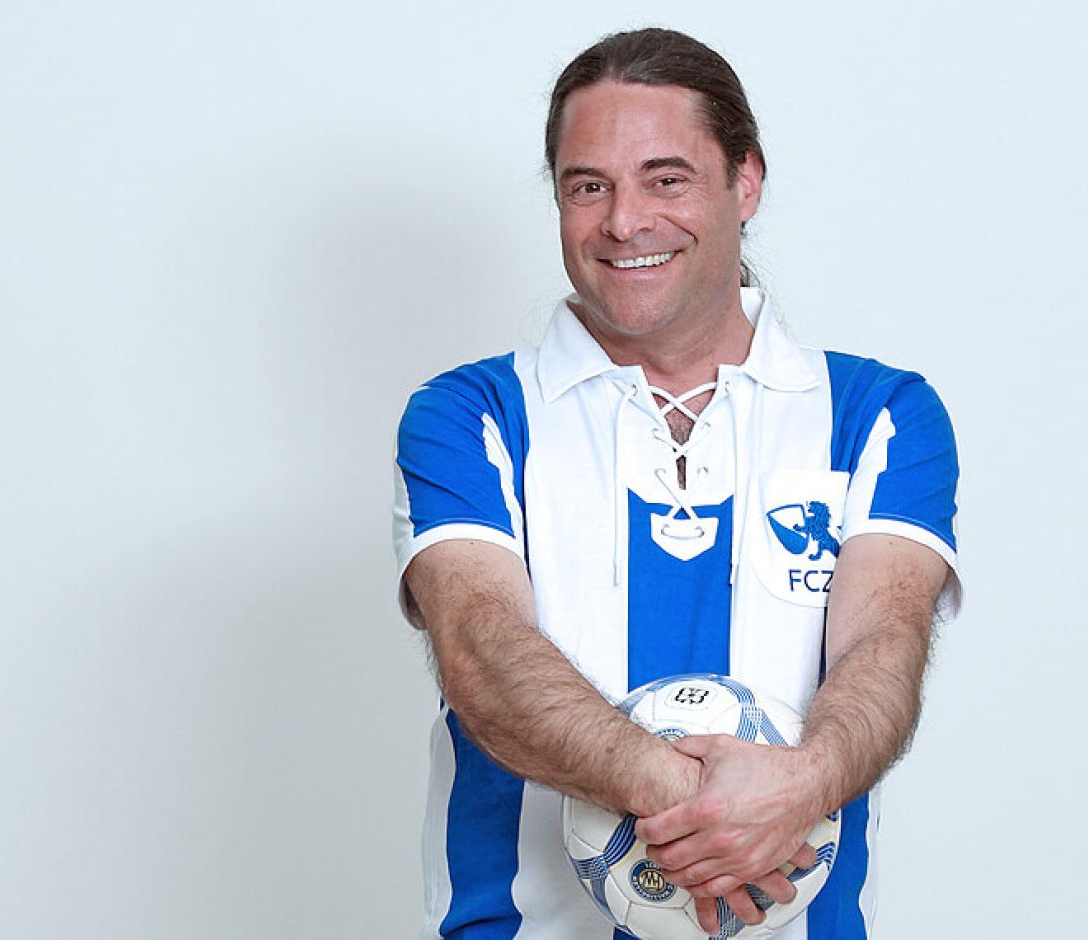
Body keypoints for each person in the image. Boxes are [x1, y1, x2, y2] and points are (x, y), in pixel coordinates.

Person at [392, 27, 960, 939]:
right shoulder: (473, 415)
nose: (625, 222)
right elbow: (481, 653)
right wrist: (695, 802)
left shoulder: (878, 414)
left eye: (666, 179)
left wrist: (804, 785)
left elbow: (883, 647)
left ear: (746, 180)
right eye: (589, 187)